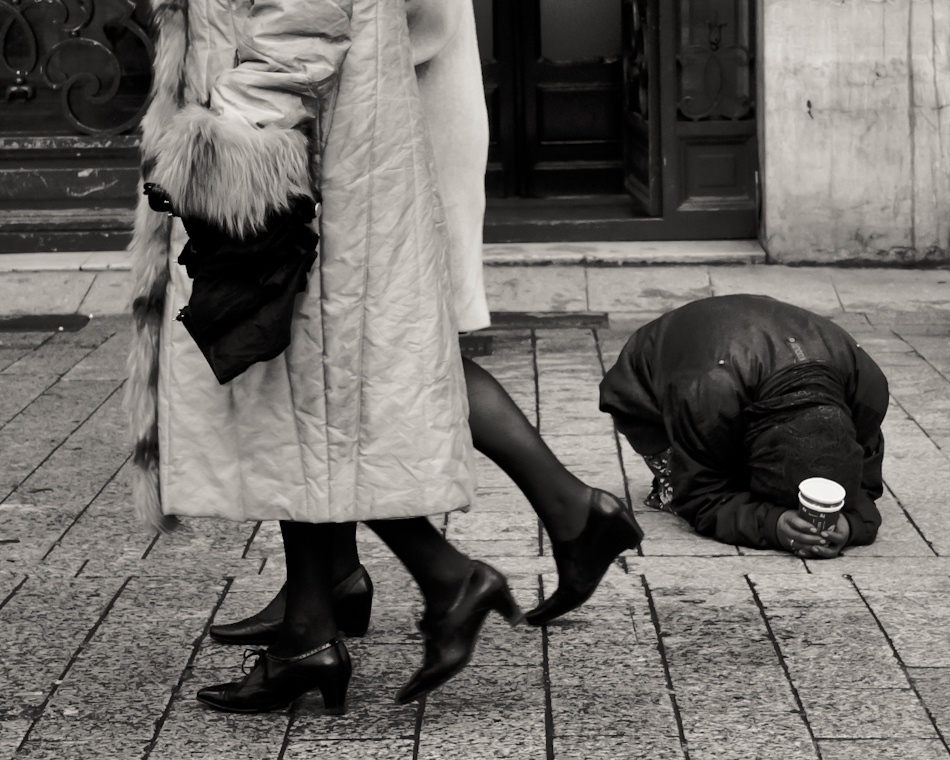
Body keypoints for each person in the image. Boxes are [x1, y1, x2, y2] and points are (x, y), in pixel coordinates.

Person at [206, 0, 645, 652]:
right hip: (370, 133)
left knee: (361, 363)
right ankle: (326, 584)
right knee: (339, 360)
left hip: (382, 140)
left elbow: (383, 19)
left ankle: (564, 513)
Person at [126, 0, 522, 714]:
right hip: (300, 138)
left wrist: (233, 129)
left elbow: (306, 14)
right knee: (295, 389)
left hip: (298, 147)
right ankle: (320, 621)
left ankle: (443, 578)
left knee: (305, 381)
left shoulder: (256, 127)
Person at [599, 294, 889, 558]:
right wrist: (773, 525)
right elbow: (700, 497)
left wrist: (849, 524)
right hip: (649, 390)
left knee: (738, 486)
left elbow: (866, 485)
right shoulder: (707, 397)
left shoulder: (867, 394)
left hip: (742, 364)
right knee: (684, 490)